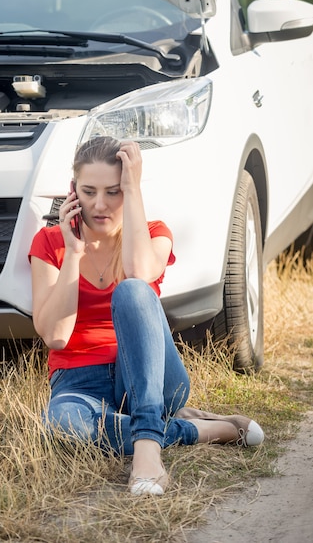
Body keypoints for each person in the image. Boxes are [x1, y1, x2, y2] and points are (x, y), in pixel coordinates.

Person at [29, 136, 264, 497]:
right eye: (89, 191)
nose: (99, 204)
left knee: (133, 290)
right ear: (73, 191)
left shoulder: (155, 234)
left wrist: (133, 186)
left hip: (152, 377)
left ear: (129, 189)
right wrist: (73, 254)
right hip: (78, 384)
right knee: (62, 425)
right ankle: (199, 429)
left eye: (114, 191)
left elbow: (139, 274)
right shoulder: (50, 243)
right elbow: (56, 337)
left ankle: (148, 450)